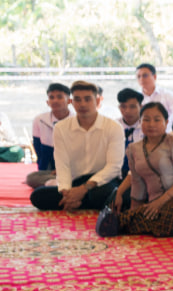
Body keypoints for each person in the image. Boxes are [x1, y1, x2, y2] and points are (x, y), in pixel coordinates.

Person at [111, 103, 173, 236]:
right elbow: (137, 182)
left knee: (165, 215)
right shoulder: (133, 149)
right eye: (146, 120)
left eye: (157, 120)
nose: (151, 124)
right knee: (137, 218)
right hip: (153, 202)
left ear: (166, 122)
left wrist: (160, 203)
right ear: (140, 122)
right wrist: (133, 214)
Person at [30, 81, 124, 212]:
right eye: (78, 100)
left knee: (101, 193)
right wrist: (66, 192)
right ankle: (74, 201)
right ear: (71, 102)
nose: (82, 104)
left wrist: (84, 189)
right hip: (76, 181)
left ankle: (78, 201)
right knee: (38, 196)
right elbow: (62, 164)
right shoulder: (61, 128)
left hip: (102, 182)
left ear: (97, 101)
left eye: (87, 99)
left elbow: (114, 167)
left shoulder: (113, 127)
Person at [28, 82, 72, 188]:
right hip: (49, 168)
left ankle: (58, 182)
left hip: (72, 168)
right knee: (31, 178)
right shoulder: (40, 120)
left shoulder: (77, 121)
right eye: (52, 97)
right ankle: (60, 182)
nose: (55, 100)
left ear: (69, 101)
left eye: (60, 97)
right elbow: (38, 148)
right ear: (47, 102)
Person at [116, 88, 144, 178]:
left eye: (132, 107)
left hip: (142, 174)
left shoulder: (148, 127)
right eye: (123, 106)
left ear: (141, 107)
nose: (127, 111)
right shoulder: (113, 127)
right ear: (119, 107)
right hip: (116, 173)